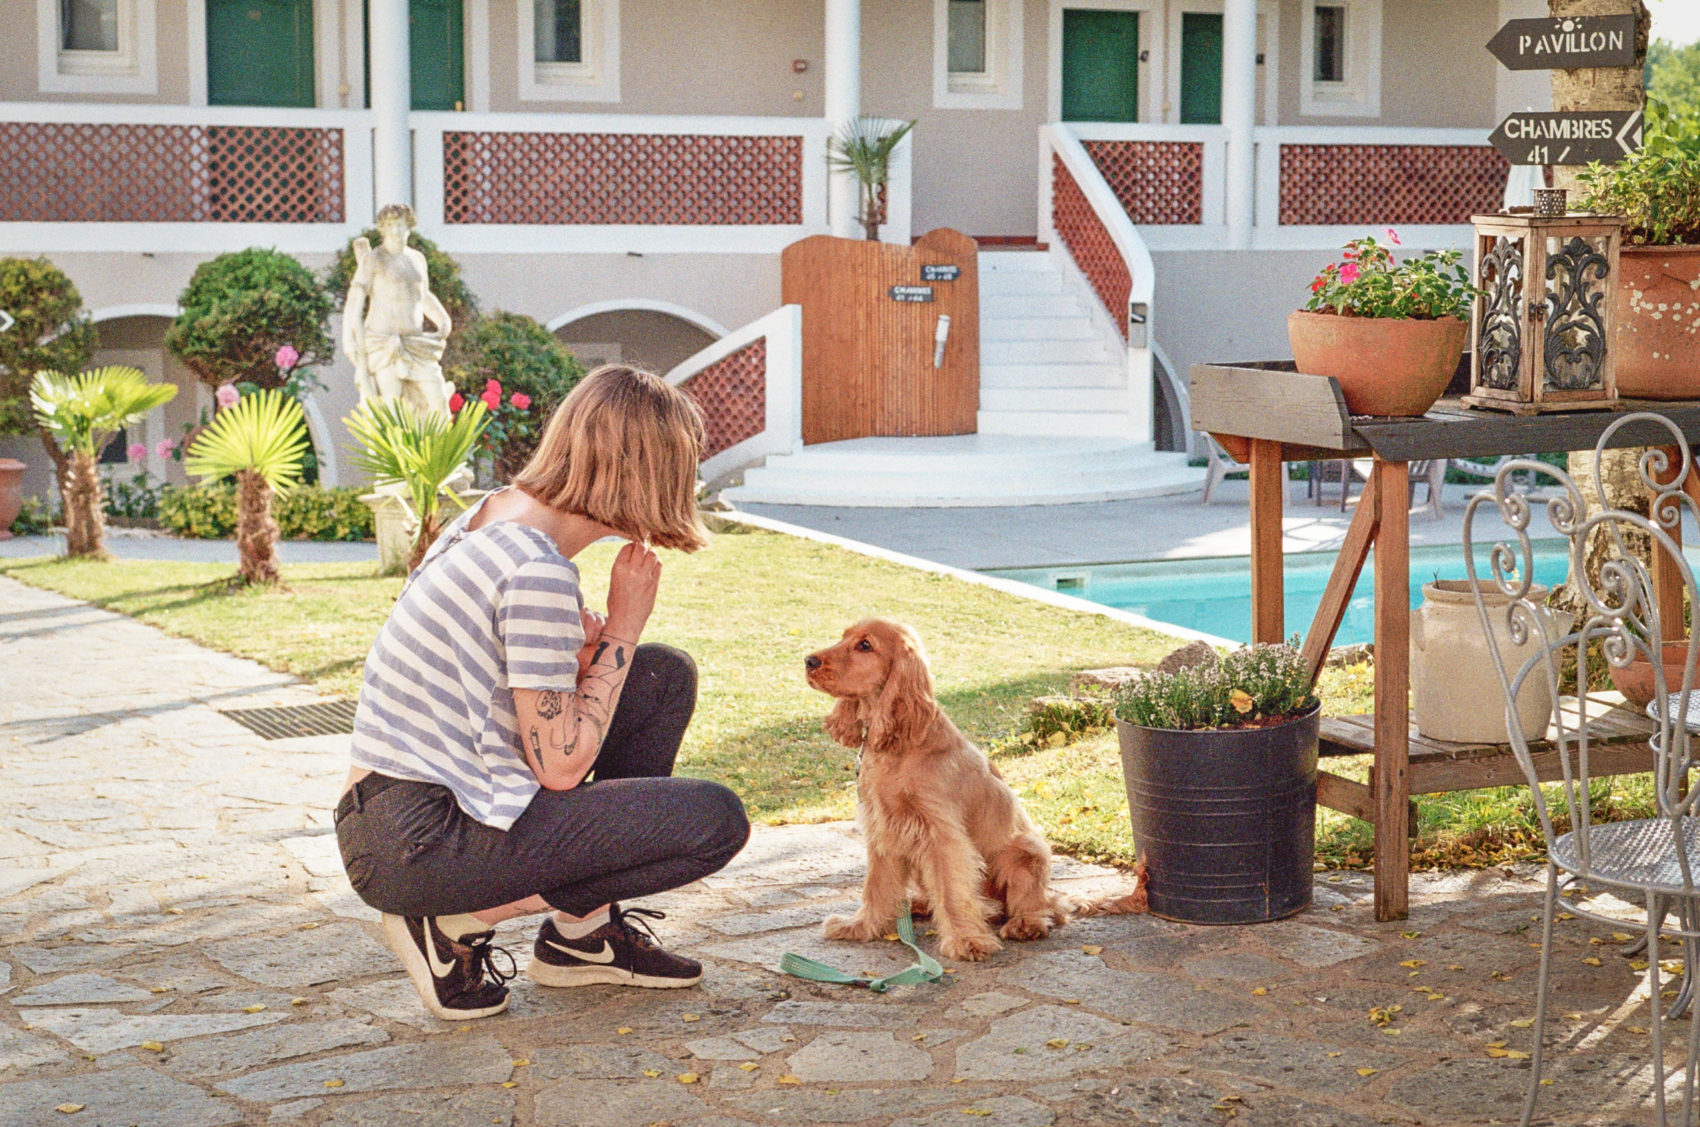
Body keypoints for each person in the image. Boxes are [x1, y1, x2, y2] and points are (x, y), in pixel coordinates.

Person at [334, 365, 750, 1020]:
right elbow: (561, 765)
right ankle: (446, 924)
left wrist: (586, 653)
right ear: (645, 473)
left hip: (393, 813)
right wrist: (623, 624)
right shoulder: (536, 570)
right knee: (713, 821)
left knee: (658, 678)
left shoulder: (495, 513)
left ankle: (582, 937)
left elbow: (481, 672)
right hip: (419, 840)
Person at [343, 202, 456, 416]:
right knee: (393, 407)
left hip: (416, 344)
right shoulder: (373, 259)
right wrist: (351, 342)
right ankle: (392, 449)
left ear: (409, 227)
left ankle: (441, 448)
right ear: (382, 229)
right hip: (384, 343)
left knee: (438, 397)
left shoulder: (417, 259)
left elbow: (422, 295)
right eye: (391, 225)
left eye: (401, 225)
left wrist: (442, 319)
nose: (396, 230)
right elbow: (354, 302)